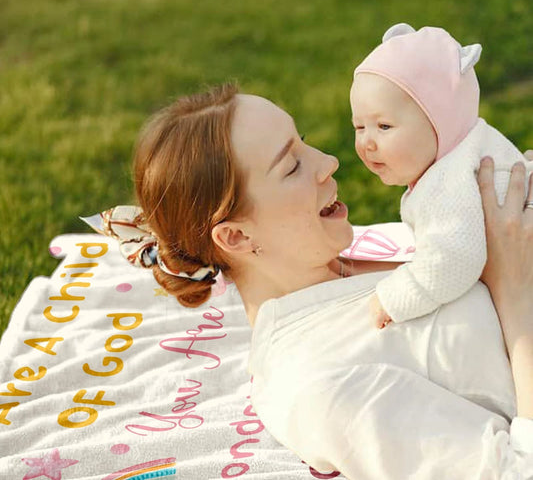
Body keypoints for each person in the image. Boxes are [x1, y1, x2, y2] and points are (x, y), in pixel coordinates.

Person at [86, 84, 533, 479]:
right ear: (237, 237)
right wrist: (515, 292)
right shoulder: (323, 385)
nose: (329, 162)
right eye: (291, 166)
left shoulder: (343, 265)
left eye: (304, 142)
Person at [350, 23, 533, 329]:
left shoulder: (451, 181)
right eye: (359, 126)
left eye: (384, 126)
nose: (367, 142)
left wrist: (395, 297)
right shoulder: (472, 146)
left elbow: (454, 258)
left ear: (442, 121)